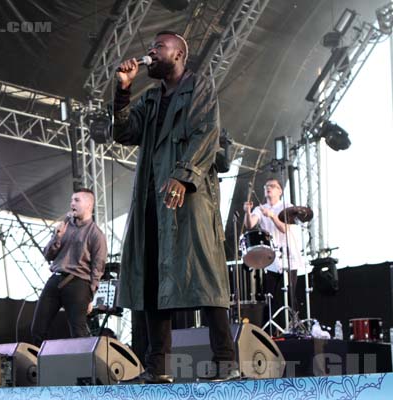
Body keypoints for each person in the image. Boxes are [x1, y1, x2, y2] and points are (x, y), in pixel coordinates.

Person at [113, 31, 237, 383]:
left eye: (159, 47)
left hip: (192, 196)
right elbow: (124, 133)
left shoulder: (199, 87)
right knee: (152, 275)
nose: (151, 51)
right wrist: (123, 90)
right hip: (152, 196)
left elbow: (206, 134)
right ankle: (158, 367)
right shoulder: (150, 99)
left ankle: (226, 362)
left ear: (179, 54)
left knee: (205, 273)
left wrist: (183, 176)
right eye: (151, 47)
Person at [30, 188, 107, 347]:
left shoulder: (96, 234)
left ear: (89, 204)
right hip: (55, 279)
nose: (72, 203)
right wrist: (57, 237)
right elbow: (47, 255)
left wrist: (90, 295)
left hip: (78, 284)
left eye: (77, 200)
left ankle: (85, 367)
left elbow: (97, 268)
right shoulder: (63, 227)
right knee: (37, 328)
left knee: (78, 332)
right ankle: (43, 366)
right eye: (71, 200)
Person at [243, 178, 304, 321]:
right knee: (271, 295)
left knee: (289, 295)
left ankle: (294, 324)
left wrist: (272, 216)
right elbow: (250, 224)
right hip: (271, 259)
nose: (268, 188)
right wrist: (247, 212)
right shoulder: (260, 208)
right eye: (266, 186)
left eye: (272, 186)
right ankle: (273, 328)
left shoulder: (287, 206)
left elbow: (284, 228)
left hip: (288, 257)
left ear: (280, 191)